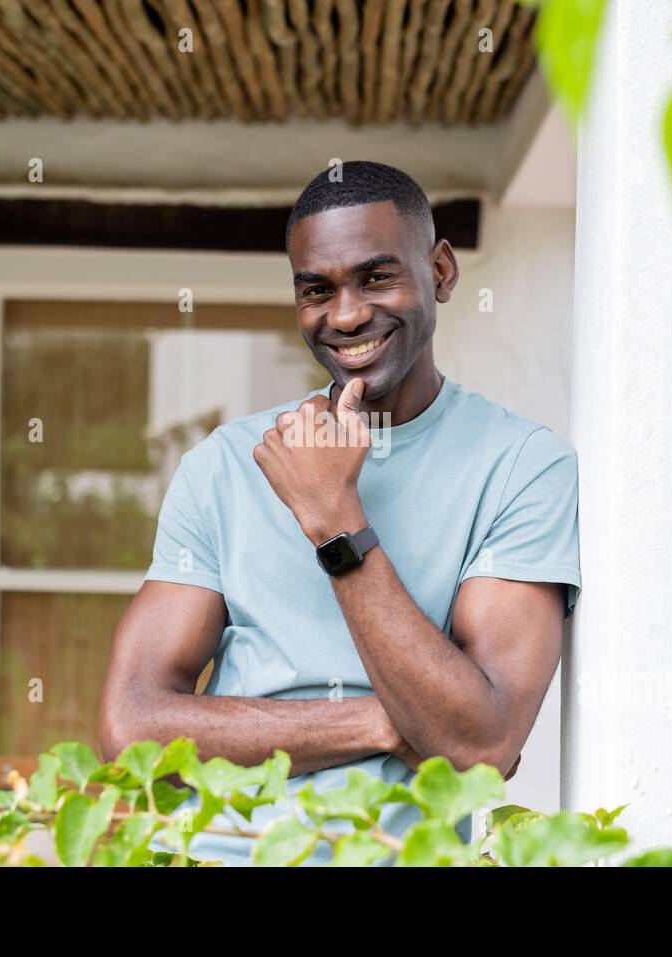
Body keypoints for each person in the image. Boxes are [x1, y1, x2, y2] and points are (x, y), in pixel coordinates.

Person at [99, 160, 580, 864]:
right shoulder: (227, 464)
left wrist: (336, 521)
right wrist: (385, 722)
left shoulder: (523, 466)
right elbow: (132, 726)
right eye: (317, 290)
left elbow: (480, 744)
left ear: (441, 272)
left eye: (377, 277)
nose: (347, 315)